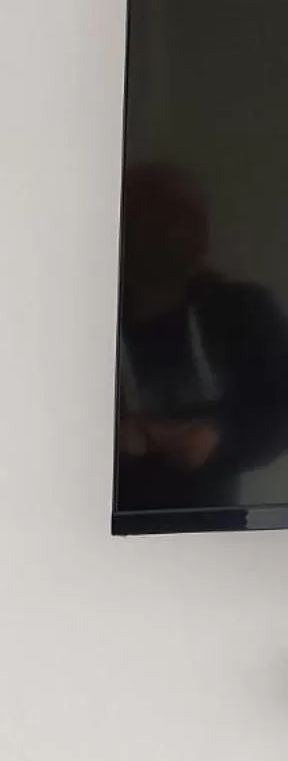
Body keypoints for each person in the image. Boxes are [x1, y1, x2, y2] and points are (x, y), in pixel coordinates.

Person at [117, 162, 288, 515]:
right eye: (161, 216)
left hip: (214, 529)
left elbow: (279, 411)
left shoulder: (244, 311)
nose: (180, 232)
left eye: (193, 218)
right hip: (88, 533)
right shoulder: (83, 314)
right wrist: (109, 438)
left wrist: (221, 434)